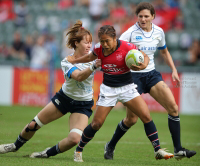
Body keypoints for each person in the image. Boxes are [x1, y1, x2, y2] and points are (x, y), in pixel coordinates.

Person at [68, 24, 174, 162]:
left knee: (146, 116)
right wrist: (74, 60)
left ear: (115, 38)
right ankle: (78, 150)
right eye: (102, 41)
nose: (104, 44)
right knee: (96, 124)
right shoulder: (99, 49)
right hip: (108, 89)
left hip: (127, 88)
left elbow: (144, 56)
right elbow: (89, 58)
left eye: (107, 41)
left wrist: (143, 65)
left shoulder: (127, 47)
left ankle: (157, 149)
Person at [104, 2, 196, 161]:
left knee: (173, 108)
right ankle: (110, 145)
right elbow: (115, 50)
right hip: (132, 78)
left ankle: (178, 149)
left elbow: (165, 52)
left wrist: (173, 70)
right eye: (140, 16)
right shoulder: (130, 33)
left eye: (146, 16)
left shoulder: (159, 32)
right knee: (131, 119)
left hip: (152, 74)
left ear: (153, 16)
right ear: (137, 17)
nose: (143, 19)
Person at [0, 20, 101, 158]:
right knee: (33, 125)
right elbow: (78, 77)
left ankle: (46, 153)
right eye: (86, 42)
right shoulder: (67, 61)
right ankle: (14, 146)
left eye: (90, 42)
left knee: (74, 139)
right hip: (63, 99)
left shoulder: (94, 57)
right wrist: (94, 66)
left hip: (83, 105)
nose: (89, 45)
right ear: (76, 43)